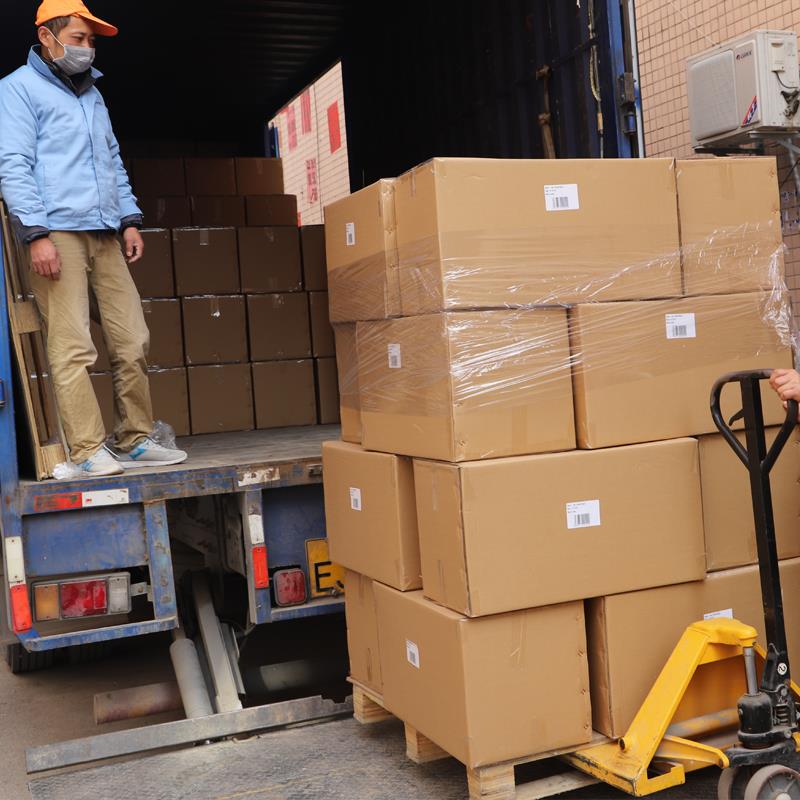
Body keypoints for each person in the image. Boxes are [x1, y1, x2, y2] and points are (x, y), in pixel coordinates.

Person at [0, 1, 187, 476]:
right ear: (47, 37)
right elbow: (13, 165)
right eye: (78, 38)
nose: (87, 48)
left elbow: (111, 160)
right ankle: (86, 451)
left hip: (104, 232)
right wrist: (36, 234)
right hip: (57, 231)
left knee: (133, 338)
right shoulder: (17, 89)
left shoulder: (92, 95)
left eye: (91, 41)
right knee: (73, 345)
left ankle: (134, 439)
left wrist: (128, 219)